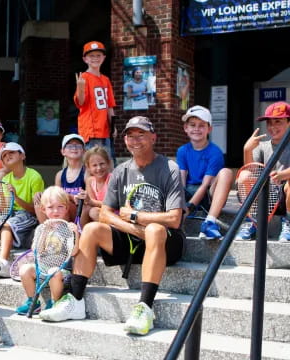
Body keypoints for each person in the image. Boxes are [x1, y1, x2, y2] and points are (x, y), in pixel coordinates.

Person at [39, 116, 186, 337]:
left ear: (153, 137)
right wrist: (134, 229)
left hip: (166, 242)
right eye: (130, 135)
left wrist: (136, 216)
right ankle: (76, 300)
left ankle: (144, 308)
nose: (135, 140)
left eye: (141, 134)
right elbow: (106, 213)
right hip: (133, 238)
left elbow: (175, 219)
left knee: (155, 230)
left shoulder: (169, 168)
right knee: (91, 229)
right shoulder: (121, 171)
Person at [0, 142, 45, 278]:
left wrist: (16, 198)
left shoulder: (34, 176)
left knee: (6, 225)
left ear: (22, 155)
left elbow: (34, 210)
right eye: (4, 155)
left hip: (28, 216)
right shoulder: (6, 179)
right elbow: (5, 208)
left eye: (11, 152)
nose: (7, 156)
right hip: (11, 215)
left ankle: (3, 263)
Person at [16, 186, 79, 315]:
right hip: (43, 269)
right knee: (24, 270)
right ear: (43, 209)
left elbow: (73, 252)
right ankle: (32, 302)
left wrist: (76, 234)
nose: (55, 211)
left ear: (67, 208)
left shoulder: (69, 229)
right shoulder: (41, 228)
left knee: (53, 272)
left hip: (62, 272)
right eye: (50, 207)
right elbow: (36, 250)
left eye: (60, 206)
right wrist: (45, 233)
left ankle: (54, 302)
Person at [177, 105, 233, 240]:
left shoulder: (215, 152)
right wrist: (179, 206)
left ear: (209, 129)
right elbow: (181, 181)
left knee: (226, 172)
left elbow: (204, 186)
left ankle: (209, 222)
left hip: (208, 195)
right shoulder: (182, 151)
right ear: (186, 128)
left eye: (202, 125)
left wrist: (188, 208)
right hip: (189, 193)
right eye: (192, 125)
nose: (196, 129)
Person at [236, 101, 290, 241]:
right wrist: (247, 150)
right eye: (269, 123)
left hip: (286, 197)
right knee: (244, 175)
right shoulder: (262, 147)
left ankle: (288, 223)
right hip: (266, 197)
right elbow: (251, 171)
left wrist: (283, 174)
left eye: (278, 122)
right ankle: (252, 221)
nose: (272, 127)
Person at [74, 41, 116, 158]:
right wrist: (81, 88)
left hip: (105, 130)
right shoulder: (84, 78)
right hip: (90, 131)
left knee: (108, 165)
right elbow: (80, 103)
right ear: (85, 59)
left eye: (98, 55)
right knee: (93, 164)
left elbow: (110, 106)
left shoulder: (105, 79)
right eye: (91, 56)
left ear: (104, 58)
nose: (95, 58)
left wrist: (113, 127)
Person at [35, 134, 87, 224]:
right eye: (70, 146)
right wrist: (42, 195)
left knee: (64, 205)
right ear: (63, 151)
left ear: (84, 151)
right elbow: (55, 195)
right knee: (40, 202)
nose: (74, 148)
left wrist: (70, 197)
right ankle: (47, 231)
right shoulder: (60, 174)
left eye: (78, 146)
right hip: (62, 210)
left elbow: (88, 199)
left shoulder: (87, 172)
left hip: (80, 211)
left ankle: (70, 232)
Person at [84, 145, 112, 222]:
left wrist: (90, 201)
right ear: (88, 167)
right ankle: (80, 232)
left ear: (108, 163)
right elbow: (90, 202)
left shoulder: (112, 179)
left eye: (102, 164)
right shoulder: (90, 181)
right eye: (94, 165)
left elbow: (112, 205)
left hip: (113, 214)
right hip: (97, 212)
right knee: (85, 208)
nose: (99, 168)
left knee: (94, 212)